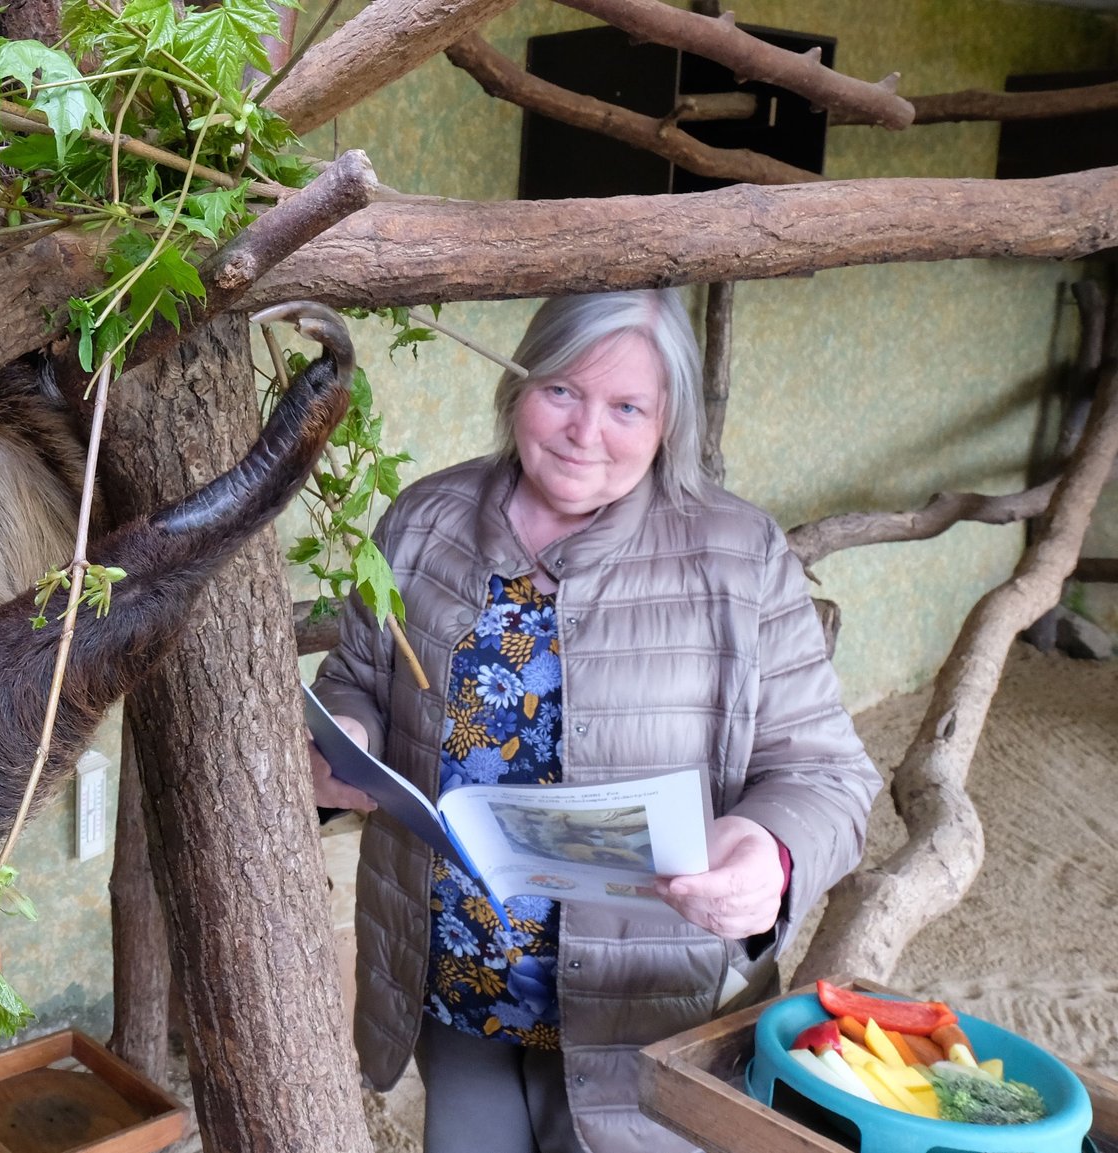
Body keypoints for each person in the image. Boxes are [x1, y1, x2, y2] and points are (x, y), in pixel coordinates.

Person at [309, 289, 880, 1153]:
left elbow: (829, 776)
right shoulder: (421, 520)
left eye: (626, 407)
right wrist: (346, 737)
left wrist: (773, 851)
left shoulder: (740, 556)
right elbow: (356, 677)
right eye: (562, 391)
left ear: (669, 421)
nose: (586, 431)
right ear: (517, 385)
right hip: (454, 982)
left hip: (644, 1000)